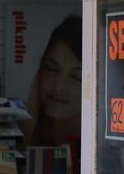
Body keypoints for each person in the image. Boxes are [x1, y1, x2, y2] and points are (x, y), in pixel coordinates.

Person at [23, 16, 84, 148]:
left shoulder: (94, 149)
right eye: (51, 69)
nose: (59, 86)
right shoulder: (18, 129)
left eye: (76, 77)